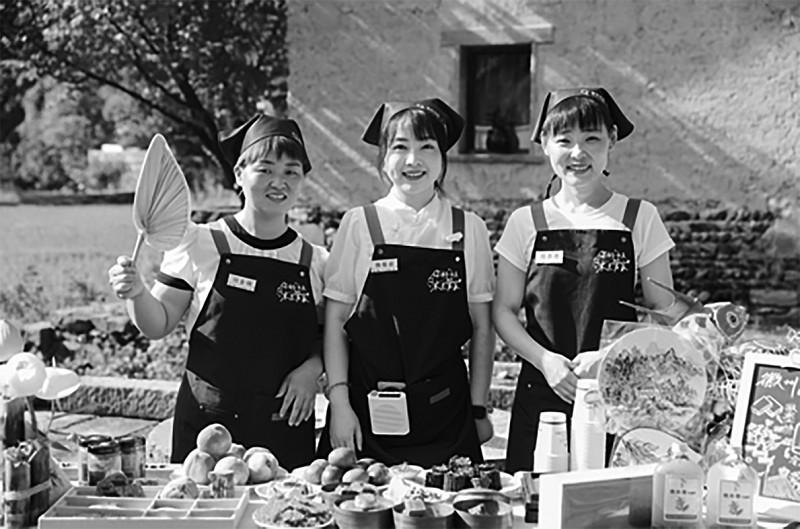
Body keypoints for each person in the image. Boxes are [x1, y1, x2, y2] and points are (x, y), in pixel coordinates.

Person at [108, 114, 327, 470]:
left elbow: (329, 337)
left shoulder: (314, 260)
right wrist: (136, 293)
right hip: (208, 427)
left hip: (285, 425)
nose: (279, 182)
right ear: (239, 174)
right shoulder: (200, 242)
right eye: (265, 169)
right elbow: (157, 323)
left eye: (291, 171)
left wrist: (312, 370)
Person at [493, 88, 681, 473]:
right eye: (564, 140)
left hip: (617, 396)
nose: (578, 153)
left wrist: (611, 357)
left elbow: (664, 310)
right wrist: (545, 361)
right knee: (534, 500)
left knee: (611, 501)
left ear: (612, 140)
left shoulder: (638, 217)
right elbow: (504, 311)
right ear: (545, 144)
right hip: (542, 392)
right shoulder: (526, 222)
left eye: (592, 139)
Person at [317, 98, 495, 467]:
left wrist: (478, 407)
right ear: (383, 159)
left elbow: (482, 326)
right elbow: (336, 320)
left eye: (427, 147)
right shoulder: (360, 223)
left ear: (443, 159)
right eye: (400, 147)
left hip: (446, 414)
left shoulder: (468, 228)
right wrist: (340, 404)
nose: (413, 160)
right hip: (364, 414)